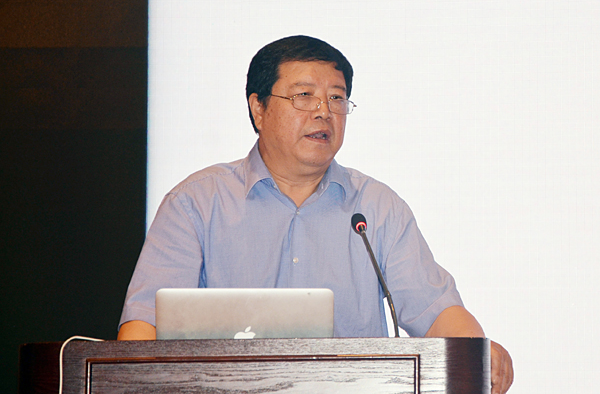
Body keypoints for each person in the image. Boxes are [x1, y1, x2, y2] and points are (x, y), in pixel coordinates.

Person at [118, 35, 513, 393]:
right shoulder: (196, 203)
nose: (324, 112)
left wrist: (479, 353)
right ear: (258, 108)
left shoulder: (376, 208)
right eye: (304, 96)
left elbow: (437, 311)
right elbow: (144, 325)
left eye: (337, 98)